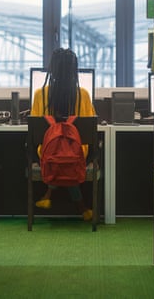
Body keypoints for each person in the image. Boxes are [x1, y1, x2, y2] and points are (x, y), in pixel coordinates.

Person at [30, 47, 96, 221]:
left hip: (47, 152)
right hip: (78, 152)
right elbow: (91, 128)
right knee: (70, 154)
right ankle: (82, 208)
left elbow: (35, 130)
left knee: (56, 154)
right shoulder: (83, 95)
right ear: (74, 70)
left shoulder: (39, 94)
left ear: (51, 69)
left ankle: (48, 194)